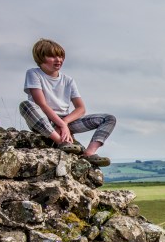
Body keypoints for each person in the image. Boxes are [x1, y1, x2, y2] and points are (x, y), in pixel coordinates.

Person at [19, 38, 115, 166]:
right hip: (43, 120)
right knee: (26, 105)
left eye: (60, 56)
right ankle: (62, 142)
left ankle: (90, 153)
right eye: (52, 56)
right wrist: (62, 126)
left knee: (109, 118)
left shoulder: (68, 80)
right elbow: (41, 104)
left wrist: (64, 123)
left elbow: (81, 108)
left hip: (66, 120)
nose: (58, 60)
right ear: (40, 58)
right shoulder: (33, 74)